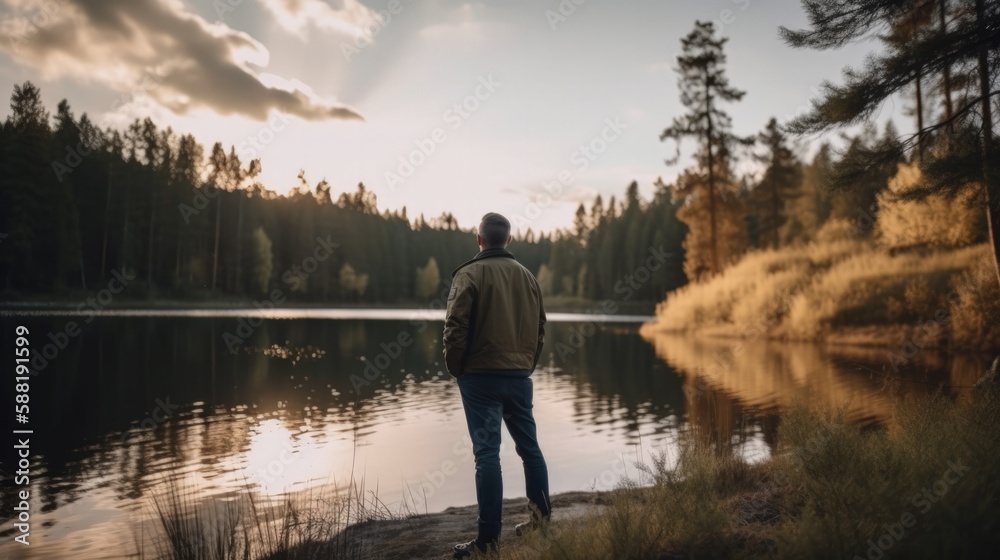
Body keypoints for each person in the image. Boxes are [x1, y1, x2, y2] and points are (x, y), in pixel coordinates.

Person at [444, 212, 551, 558]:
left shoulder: (468, 274)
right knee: (530, 450)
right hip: (519, 375)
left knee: (487, 454)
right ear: (508, 240)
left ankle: (488, 542)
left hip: (478, 377)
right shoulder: (529, 277)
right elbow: (540, 329)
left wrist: (457, 368)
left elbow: (454, 327)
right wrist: (525, 364)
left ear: (479, 240)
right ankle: (540, 526)